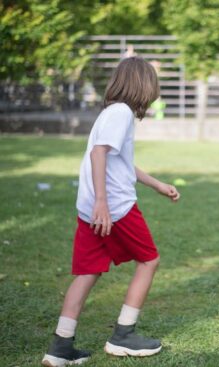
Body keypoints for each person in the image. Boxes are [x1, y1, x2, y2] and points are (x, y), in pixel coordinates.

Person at [42, 57, 180, 367]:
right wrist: (103, 202)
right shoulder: (121, 113)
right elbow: (98, 153)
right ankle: (123, 335)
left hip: (91, 208)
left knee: (87, 272)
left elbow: (120, 161)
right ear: (143, 85)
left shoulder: (112, 112)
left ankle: (60, 347)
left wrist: (157, 185)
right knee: (149, 261)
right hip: (114, 207)